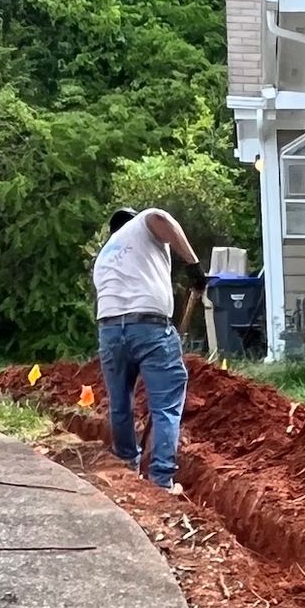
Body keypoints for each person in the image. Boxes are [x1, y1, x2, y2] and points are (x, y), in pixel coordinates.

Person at [92, 201, 198, 491]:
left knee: (120, 401)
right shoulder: (140, 226)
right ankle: (161, 481)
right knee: (166, 405)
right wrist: (194, 267)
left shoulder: (104, 256)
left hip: (110, 331)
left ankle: (126, 465)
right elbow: (160, 217)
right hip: (148, 327)